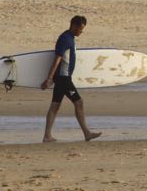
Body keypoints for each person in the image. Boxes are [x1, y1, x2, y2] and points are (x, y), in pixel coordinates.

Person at [39, 15, 102, 143]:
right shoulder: (65, 39)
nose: (81, 32)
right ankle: (87, 133)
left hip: (63, 77)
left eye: (82, 30)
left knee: (55, 106)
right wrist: (49, 78)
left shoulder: (70, 37)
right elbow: (57, 59)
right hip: (64, 78)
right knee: (78, 102)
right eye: (79, 29)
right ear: (73, 25)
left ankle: (47, 136)